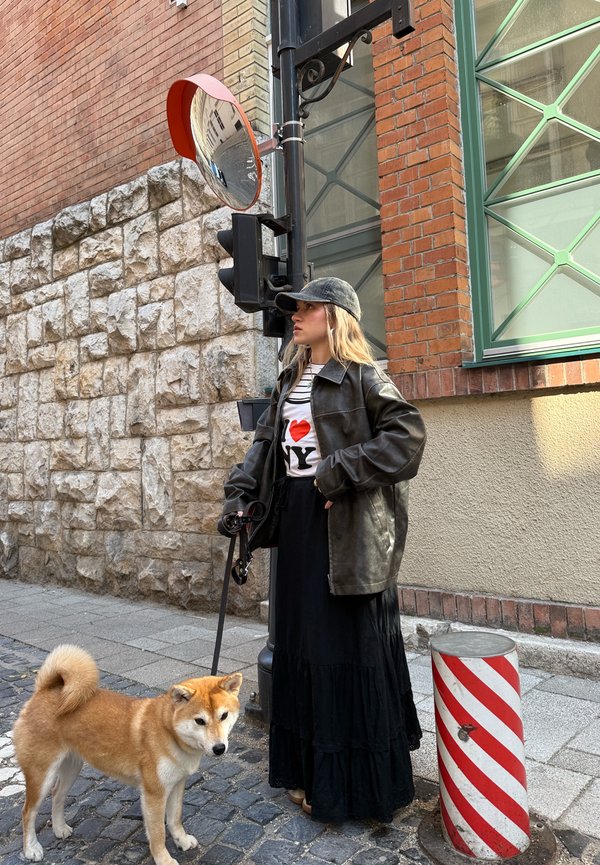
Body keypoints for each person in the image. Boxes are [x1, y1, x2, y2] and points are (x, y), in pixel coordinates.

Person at [220, 277, 426, 823]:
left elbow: (407, 438)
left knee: (344, 650)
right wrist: (241, 497)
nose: (296, 315)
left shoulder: (362, 376)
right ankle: (310, 771)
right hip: (298, 525)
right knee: (303, 645)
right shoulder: (290, 380)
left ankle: (356, 790)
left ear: (334, 317)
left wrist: (338, 471)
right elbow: (265, 447)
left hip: (346, 527)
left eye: (307, 308)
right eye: (296, 309)